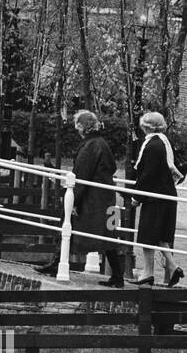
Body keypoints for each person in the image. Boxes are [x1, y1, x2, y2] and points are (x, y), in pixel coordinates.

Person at [36, 110, 123, 286]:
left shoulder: (90, 146)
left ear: (83, 127)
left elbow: (81, 175)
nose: (77, 130)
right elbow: (111, 167)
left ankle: (56, 264)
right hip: (105, 198)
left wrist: (74, 200)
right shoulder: (102, 143)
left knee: (67, 224)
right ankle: (118, 276)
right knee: (107, 235)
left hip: (92, 200)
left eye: (78, 126)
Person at [132, 110, 184, 287]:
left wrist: (137, 197)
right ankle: (173, 266)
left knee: (148, 235)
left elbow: (148, 174)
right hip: (167, 195)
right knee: (161, 236)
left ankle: (148, 273)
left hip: (156, 198)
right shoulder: (164, 142)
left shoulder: (153, 145)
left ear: (146, 126)